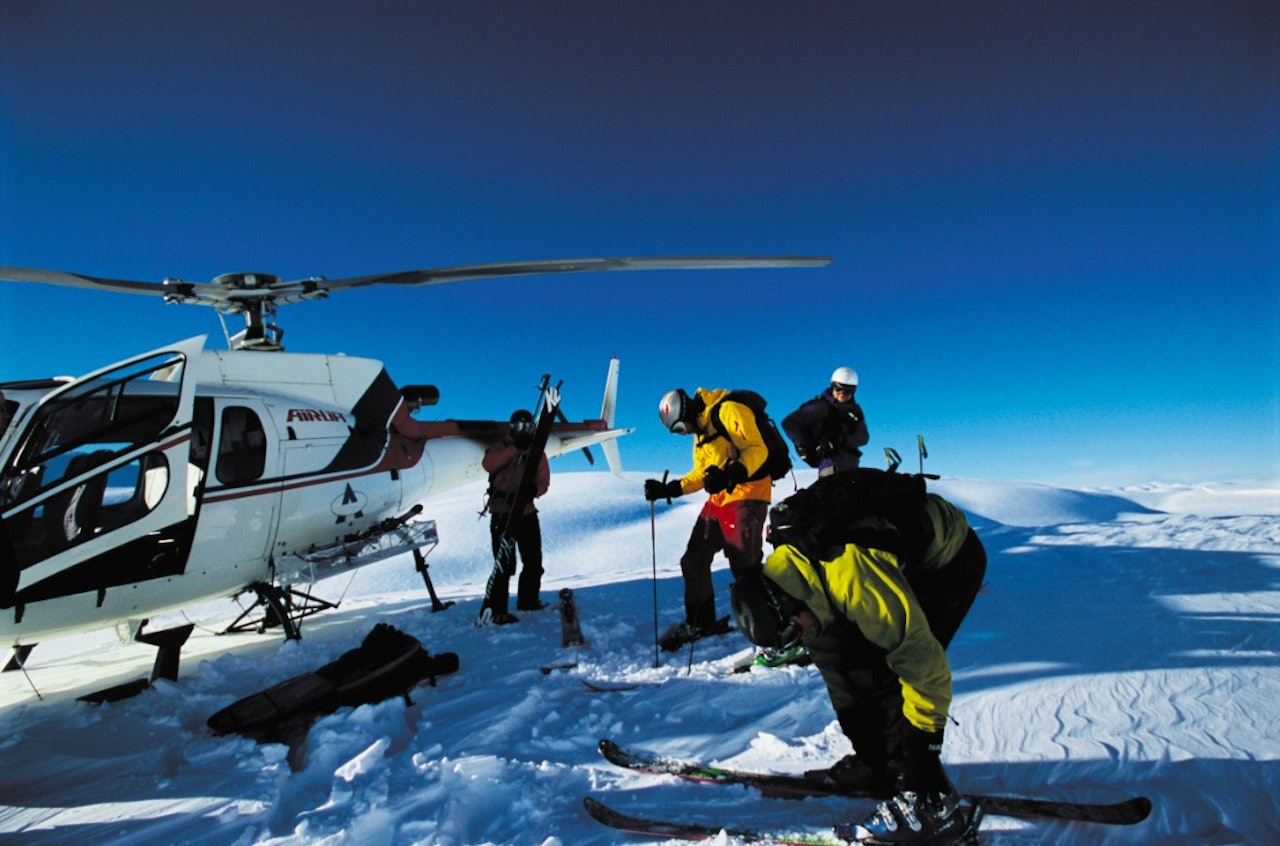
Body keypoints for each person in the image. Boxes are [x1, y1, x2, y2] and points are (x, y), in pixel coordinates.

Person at [731, 473, 988, 844]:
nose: (796, 639)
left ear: (787, 606)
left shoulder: (854, 580)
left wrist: (919, 765)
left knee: (896, 664)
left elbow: (924, 669)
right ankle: (878, 764)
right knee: (837, 656)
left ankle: (927, 798)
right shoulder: (787, 572)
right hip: (866, 566)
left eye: (791, 632)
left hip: (948, 561)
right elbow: (835, 664)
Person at [644, 388, 775, 650]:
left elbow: (757, 449)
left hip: (747, 495)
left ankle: (773, 630)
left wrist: (731, 474)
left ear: (685, 411)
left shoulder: (728, 410)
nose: (685, 433)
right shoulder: (701, 432)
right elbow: (700, 475)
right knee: (693, 560)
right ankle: (700, 622)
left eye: (681, 428)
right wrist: (669, 489)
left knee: (745, 568)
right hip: (718, 501)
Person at [481, 409, 551, 624]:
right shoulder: (501, 447)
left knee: (533, 560)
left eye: (527, 427)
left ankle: (528, 601)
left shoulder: (537, 452)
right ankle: (497, 609)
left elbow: (543, 482)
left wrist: (534, 492)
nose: (523, 431)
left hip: (526, 513)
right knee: (504, 562)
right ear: (511, 428)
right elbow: (488, 465)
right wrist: (514, 449)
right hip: (502, 513)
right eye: (519, 426)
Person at [782, 366, 869, 476]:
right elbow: (789, 423)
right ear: (832, 386)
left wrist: (841, 440)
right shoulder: (821, 407)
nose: (843, 393)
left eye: (848, 390)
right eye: (839, 389)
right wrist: (805, 445)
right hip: (830, 466)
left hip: (852, 466)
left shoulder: (855, 412)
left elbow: (863, 436)